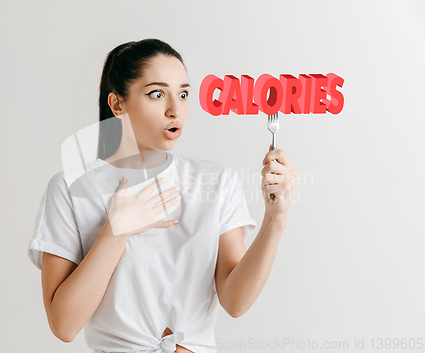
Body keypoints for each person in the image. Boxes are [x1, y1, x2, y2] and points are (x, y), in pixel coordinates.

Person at [27, 38, 298, 353]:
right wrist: (116, 231)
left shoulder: (216, 181)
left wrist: (275, 221)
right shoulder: (71, 189)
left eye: (183, 94)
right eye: (156, 94)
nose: (175, 110)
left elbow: (235, 302)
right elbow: (64, 324)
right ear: (117, 104)